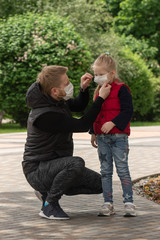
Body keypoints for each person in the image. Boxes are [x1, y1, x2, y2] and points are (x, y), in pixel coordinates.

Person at [22, 65, 111, 220]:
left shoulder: (55, 100)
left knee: (102, 184)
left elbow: (78, 105)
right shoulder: (45, 115)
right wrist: (101, 99)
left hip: (57, 166)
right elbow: (82, 125)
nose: (70, 85)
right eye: (66, 83)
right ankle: (49, 204)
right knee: (76, 163)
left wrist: (83, 89)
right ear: (55, 91)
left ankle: (47, 191)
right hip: (37, 170)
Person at [90, 53, 136, 217]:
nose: (97, 78)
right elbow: (96, 113)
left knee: (122, 170)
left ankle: (129, 203)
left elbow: (127, 111)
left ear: (112, 73)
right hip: (102, 138)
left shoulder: (122, 89)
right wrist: (93, 132)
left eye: (101, 74)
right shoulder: (98, 92)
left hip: (119, 138)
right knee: (105, 171)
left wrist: (114, 123)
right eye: (96, 75)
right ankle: (107, 203)